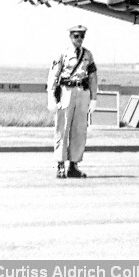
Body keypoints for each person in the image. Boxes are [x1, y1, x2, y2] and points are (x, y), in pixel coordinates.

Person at [47, 25, 98, 178]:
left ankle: (74, 165)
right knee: (62, 129)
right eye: (76, 36)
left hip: (82, 93)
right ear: (70, 37)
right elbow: (53, 75)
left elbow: (92, 77)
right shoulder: (63, 53)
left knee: (79, 131)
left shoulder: (88, 54)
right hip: (66, 93)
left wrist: (94, 98)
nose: (79, 39)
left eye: (82, 36)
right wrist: (51, 96)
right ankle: (60, 165)